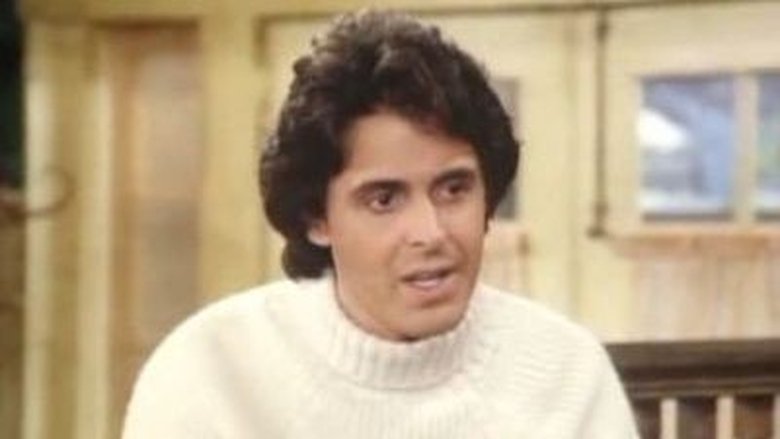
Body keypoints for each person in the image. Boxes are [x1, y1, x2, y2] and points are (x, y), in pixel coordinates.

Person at [122, 9, 638, 438]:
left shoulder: (566, 374)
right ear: (317, 218)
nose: (431, 232)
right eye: (384, 199)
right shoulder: (211, 371)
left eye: (453, 189)